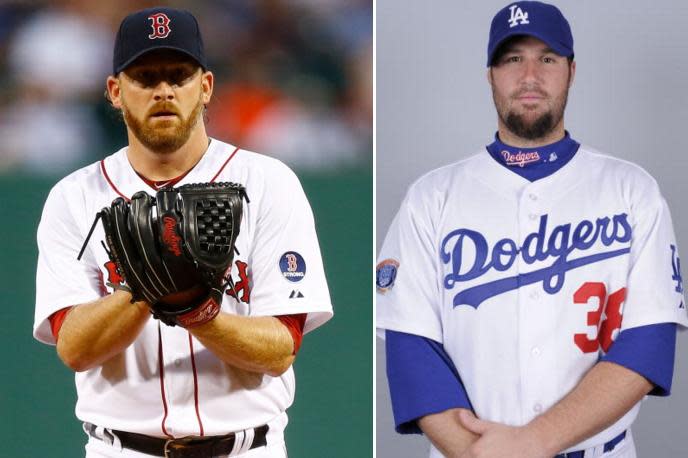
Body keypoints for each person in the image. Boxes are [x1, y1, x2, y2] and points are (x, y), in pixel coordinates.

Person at [376, 2, 687, 457]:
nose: (529, 76)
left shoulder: (632, 190)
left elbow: (649, 345)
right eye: (512, 59)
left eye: (547, 58)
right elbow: (411, 348)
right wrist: (479, 453)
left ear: (571, 71)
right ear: (490, 75)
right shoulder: (432, 196)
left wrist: (534, 442)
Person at [33, 7, 333, 458]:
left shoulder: (268, 182)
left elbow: (280, 348)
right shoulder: (73, 196)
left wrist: (196, 310)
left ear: (206, 86)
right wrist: (145, 287)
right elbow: (74, 348)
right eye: (145, 77)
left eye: (179, 75)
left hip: (247, 448)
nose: (164, 91)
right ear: (116, 91)